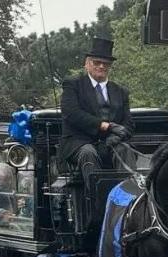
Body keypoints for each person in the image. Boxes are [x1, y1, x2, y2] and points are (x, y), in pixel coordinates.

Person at [60, 37, 135, 228]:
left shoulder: (121, 92)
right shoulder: (73, 85)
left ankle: (130, 205)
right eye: (97, 62)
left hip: (110, 144)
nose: (101, 66)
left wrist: (117, 136)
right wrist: (105, 126)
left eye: (105, 64)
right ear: (87, 64)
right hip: (79, 142)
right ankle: (98, 210)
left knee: (125, 149)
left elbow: (128, 125)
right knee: (88, 153)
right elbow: (72, 114)